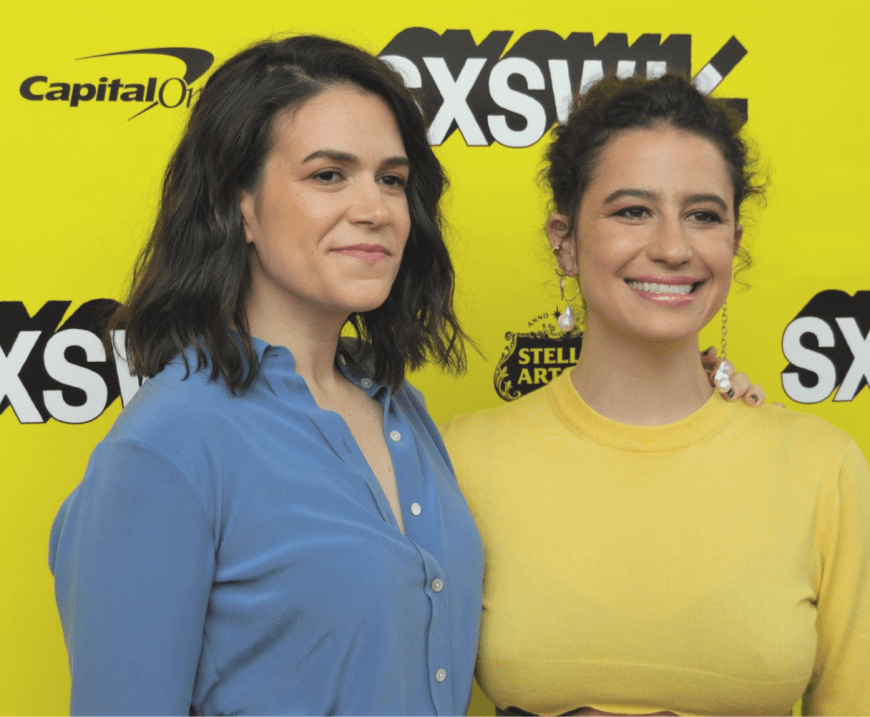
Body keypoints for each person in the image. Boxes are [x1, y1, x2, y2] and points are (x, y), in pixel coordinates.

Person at [48, 35, 485, 716]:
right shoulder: (170, 442)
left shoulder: (404, 411)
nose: (375, 208)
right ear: (237, 205)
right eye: (329, 175)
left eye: (391, 179)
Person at [442, 74, 870, 716]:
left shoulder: (823, 467)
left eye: (702, 215)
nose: (673, 248)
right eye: (632, 211)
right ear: (566, 242)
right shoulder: (463, 460)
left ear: (733, 243)